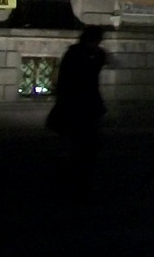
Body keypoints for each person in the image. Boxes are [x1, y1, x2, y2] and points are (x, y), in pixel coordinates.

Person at [47, 26, 110, 200]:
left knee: (84, 149)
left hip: (86, 107)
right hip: (79, 107)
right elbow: (72, 80)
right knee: (84, 149)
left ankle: (74, 182)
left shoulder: (86, 54)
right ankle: (75, 184)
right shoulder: (78, 55)